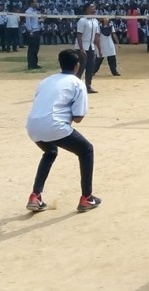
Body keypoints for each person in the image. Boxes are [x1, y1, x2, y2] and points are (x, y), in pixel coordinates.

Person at [25, 49, 101, 213]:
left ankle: (35, 195)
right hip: (54, 125)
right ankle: (87, 198)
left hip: (32, 126)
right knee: (86, 150)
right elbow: (78, 117)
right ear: (77, 66)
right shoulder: (77, 83)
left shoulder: (45, 81)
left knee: (50, 152)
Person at [75, 2, 100, 94]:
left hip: (91, 47)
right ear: (87, 9)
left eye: (94, 7)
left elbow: (96, 36)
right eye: (92, 7)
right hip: (82, 47)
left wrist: (99, 49)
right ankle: (75, 87)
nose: (94, 8)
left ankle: (88, 86)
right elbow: (79, 35)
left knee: (90, 67)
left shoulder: (95, 21)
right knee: (80, 68)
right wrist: (81, 49)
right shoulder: (82, 20)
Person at [25, 0, 43, 70]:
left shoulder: (35, 11)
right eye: (35, 2)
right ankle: (30, 65)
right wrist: (30, 31)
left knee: (36, 49)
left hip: (37, 31)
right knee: (31, 49)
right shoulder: (28, 12)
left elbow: (36, 21)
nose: (37, 3)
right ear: (31, 3)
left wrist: (42, 19)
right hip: (32, 32)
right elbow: (28, 22)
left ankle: (35, 64)